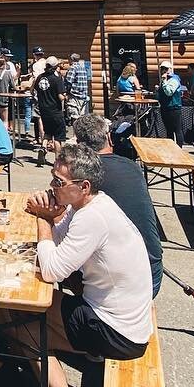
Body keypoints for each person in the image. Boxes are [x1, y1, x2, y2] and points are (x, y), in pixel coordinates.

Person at [21, 142, 154, 387]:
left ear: (84, 186)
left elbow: (52, 268)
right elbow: (60, 241)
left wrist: (43, 219)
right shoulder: (91, 206)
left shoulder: (92, 218)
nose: (52, 187)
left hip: (119, 332)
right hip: (125, 317)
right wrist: (52, 217)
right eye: (52, 178)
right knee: (34, 310)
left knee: (24, 327)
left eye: (59, 183)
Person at [72, 114, 162, 295]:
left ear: (80, 146)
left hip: (129, 283)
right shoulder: (132, 167)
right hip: (153, 268)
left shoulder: (83, 177)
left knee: (48, 265)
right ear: (109, 138)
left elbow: (62, 220)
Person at [31, 56, 69, 165]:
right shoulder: (57, 79)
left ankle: (43, 148)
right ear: (55, 66)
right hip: (55, 111)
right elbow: (61, 97)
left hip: (43, 110)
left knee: (47, 133)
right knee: (58, 137)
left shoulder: (40, 77)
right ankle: (58, 161)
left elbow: (32, 89)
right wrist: (66, 97)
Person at [156, 61, 184, 146]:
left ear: (170, 69)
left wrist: (164, 81)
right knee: (169, 130)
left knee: (177, 130)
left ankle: (179, 149)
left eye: (166, 68)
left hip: (174, 107)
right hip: (165, 107)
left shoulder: (174, 79)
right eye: (162, 69)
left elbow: (169, 92)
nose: (163, 70)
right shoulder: (164, 79)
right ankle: (171, 148)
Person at [64, 52, 92, 122]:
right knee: (82, 117)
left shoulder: (73, 68)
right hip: (83, 96)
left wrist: (66, 93)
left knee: (74, 117)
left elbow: (68, 82)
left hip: (75, 96)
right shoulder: (82, 68)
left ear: (71, 59)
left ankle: (75, 132)